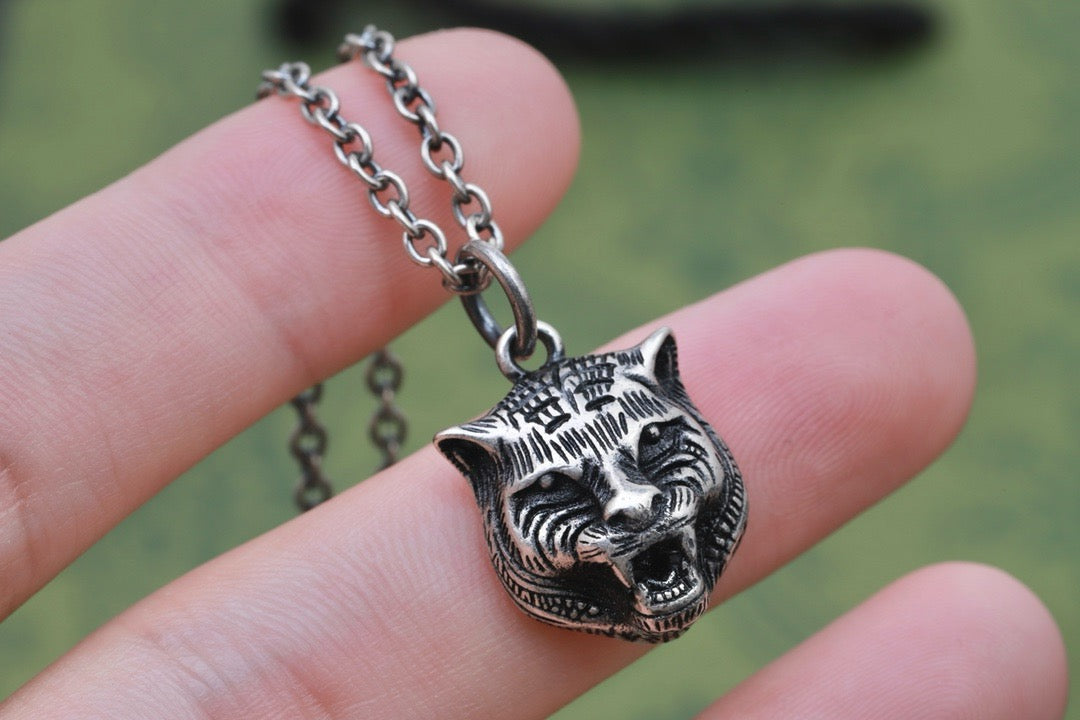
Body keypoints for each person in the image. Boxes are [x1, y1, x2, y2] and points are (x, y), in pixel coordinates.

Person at [0, 29, 1067, 719]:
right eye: (564, 489)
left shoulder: (645, 458)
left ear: (674, 398)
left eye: (652, 450)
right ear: (478, 474)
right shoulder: (512, 472)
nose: (634, 501)